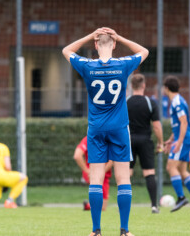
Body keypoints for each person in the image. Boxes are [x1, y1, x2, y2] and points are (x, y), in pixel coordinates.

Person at [63, 27, 148, 236]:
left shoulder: (88, 66)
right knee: (123, 180)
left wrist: (87, 36)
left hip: (96, 128)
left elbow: (66, 50)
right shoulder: (123, 65)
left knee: (96, 180)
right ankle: (125, 231)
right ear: (114, 44)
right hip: (119, 128)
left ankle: (96, 231)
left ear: (95, 44)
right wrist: (121, 37)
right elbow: (144, 51)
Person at [163, 76, 190, 213]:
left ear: (166, 88)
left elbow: (184, 122)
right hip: (182, 138)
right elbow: (178, 125)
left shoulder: (177, 102)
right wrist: (171, 139)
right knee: (182, 170)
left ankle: (181, 198)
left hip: (183, 139)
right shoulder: (176, 101)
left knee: (170, 166)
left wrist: (178, 141)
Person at [127, 74, 163, 214]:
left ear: (131, 86)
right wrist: (160, 142)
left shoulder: (126, 102)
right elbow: (157, 127)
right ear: (143, 85)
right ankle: (154, 206)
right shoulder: (150, 102)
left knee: (126, 174)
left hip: (128, 141)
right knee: (149, 173)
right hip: (145, 140)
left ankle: (124, 206)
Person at [74, 136, 113, 211]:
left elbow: (77, 156)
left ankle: (88, 205)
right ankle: (90, 206)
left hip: (91, 173)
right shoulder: (109, 138)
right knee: (102, 207)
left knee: (100, 204)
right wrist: (99, 172)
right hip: (101, 174)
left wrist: (87, 171)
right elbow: (113, 159)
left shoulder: (88, 138)